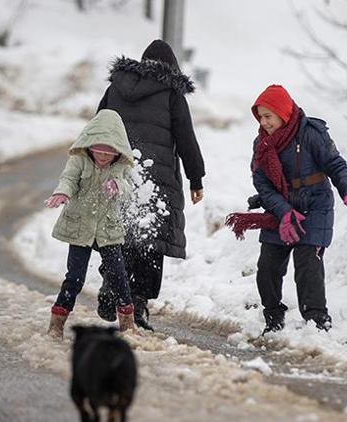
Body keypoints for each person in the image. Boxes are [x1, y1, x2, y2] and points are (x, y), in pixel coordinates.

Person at [226, 84, 347, 333]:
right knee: (268, 267)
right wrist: (283, 212)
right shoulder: (262, 143)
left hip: (315, 205)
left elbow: (336, 165)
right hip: (281, 208)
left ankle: (317, 321)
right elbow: (262, 183)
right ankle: (273, 317)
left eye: (268, 116)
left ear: (283, 113)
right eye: (260, 116)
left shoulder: (312, 133)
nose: (264, 122)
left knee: (307, 263)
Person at [96, 39, 206, 330]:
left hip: (117, 176)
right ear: (172, 67)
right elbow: (186, 139)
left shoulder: (114, 88)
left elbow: (97, 128)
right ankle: (139, 305)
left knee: (117, 232)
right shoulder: (171, 93)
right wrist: (196, 178)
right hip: (155, 182)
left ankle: (111, 283)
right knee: (149, 242)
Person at [45, 109, 137, 339]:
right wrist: (62, 193)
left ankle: (128, 325)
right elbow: (68, 180)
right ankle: (56, 323)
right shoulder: (79, 160)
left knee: (118, 275)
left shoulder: (121, 166)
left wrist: (118, 185)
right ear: (89, 145)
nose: (104, 157)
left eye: (110, 153)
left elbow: (129, 187)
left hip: (108, 228)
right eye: (99, 151)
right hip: (80, 227)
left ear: (118, 151)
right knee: (74, 278)